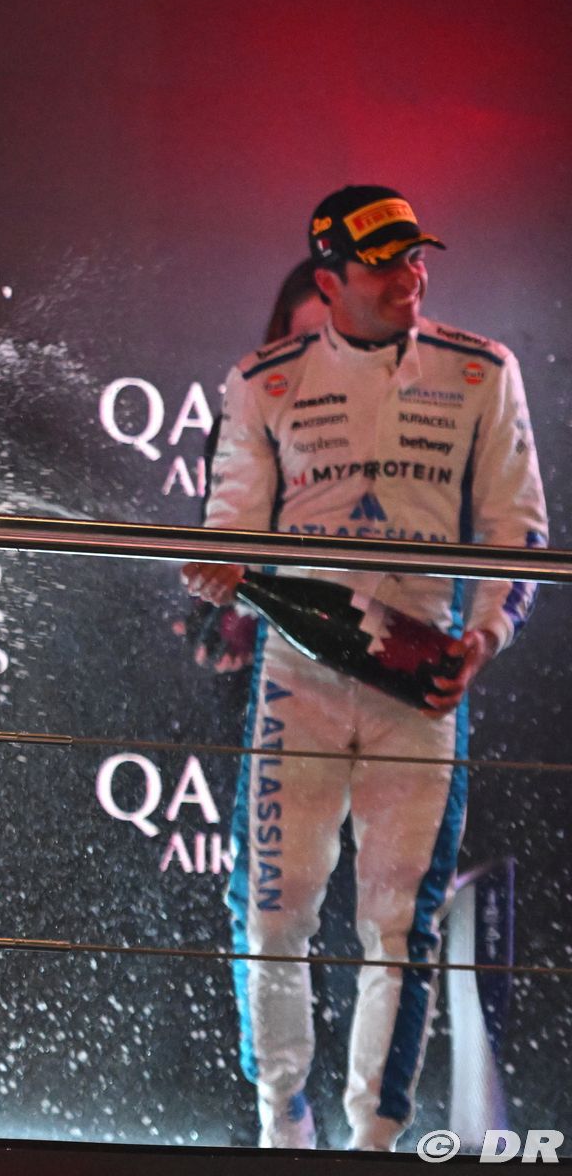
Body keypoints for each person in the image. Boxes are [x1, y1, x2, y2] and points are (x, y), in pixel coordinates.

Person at [182, 187, 548, 1150]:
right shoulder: (262, 380)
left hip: (422, 684)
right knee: (272, 915)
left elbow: (518, 532)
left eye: (415, 257)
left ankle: (375, 1143)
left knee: (399, 926)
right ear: (330, 277)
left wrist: (483, 641)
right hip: (294, 682)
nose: (408, 277)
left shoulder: (482, 372)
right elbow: (232, 530)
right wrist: (221, 568)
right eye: (383, 264)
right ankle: (282, 1126)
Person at [185, 260, 331, 673]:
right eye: (304, 342)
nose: (319, 361)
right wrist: (231, 621)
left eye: (333, 343)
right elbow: (222, 548)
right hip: (263, 652)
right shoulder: (241, 423)